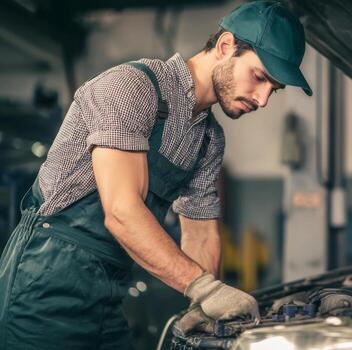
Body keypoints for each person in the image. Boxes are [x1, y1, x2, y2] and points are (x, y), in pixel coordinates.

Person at [0, 1, 312, 349]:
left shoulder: (208, 139)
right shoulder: (131, 88)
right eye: (260, 77)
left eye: (275, 89)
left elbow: (202, 233)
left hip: (108, 293)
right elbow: (121, 212)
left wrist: (204, 306)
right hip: (45, 281)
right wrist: (204, 288)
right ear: (225, 47)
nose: (264, 99)